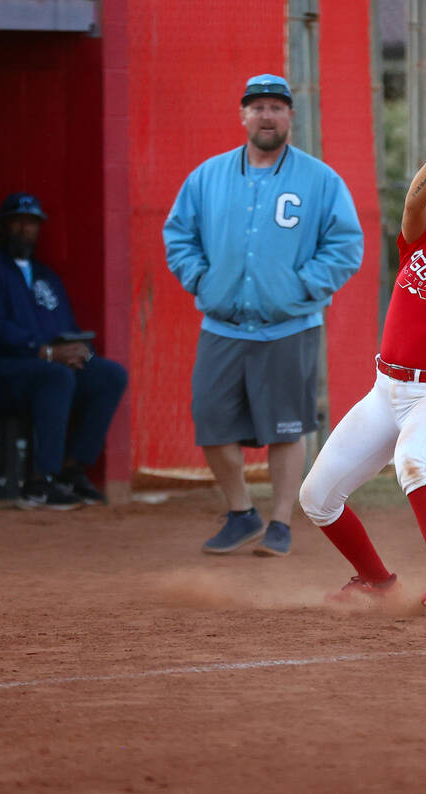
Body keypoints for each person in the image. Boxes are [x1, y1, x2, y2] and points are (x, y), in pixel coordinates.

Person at [297, 95, 426, 613]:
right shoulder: (423, 245)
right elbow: (415, 201)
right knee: (316, 497)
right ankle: (374, 579)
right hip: (384, 391)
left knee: (411, 460)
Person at [163, 73, 363, 557]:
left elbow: (345, 246)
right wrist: (202, 280)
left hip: (289, 327)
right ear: (243, 116)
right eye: (257, 107)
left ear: (290, 115)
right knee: (211, 423)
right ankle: (240, 513)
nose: (267, 115)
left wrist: (300, 287)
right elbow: (179, 236)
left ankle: (279, 524)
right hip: (223, 326)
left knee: (285, 428)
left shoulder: (320, 179)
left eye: (276, 107)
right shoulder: (207, 176)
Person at [0, 193, 129, 510]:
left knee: (109, 375)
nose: (25, 229)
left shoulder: (44, 275)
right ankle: (41, 482)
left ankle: (72, 469)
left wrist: (80, 352)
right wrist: (46, 353)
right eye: (18, 221)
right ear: (2, 225)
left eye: (32, 223)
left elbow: (64, 327)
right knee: (55, 377)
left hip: (34, 367)